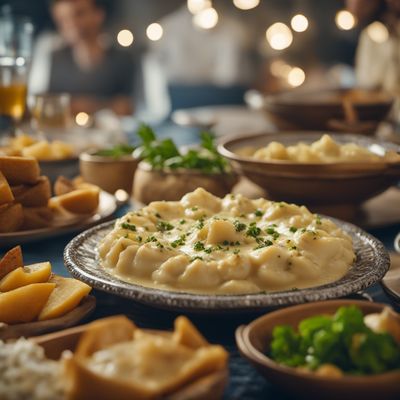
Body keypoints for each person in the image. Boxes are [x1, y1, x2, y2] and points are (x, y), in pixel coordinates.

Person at [29, 0, 134, 116]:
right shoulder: (50, 58)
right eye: (63, 19)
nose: (71, 23)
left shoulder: (123, 60)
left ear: (99, 14)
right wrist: (105, 106)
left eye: (79, 14)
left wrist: (76, 106)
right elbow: (38, 105)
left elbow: (128, 108)